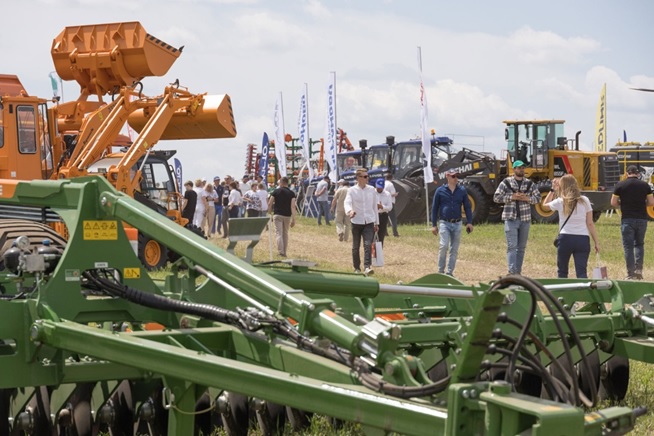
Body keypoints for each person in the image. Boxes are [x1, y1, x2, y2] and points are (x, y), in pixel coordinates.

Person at [543, 175, 600, 278]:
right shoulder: (584, 200)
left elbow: (545, 204)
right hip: (582, 238)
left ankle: (563, 292)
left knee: (562, 271)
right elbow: (590, 223)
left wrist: (552, 190)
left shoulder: (561, 201)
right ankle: (582, 293)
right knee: (582, 272)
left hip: (565, 237)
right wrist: (596, 242)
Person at [493, 160, 541, 275]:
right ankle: (511, 271)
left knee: (522, 248)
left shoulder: (530, 183)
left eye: (523, 168)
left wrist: (527, 199)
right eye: (519, 168)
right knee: (512, 246)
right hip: (511, 219)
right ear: (514, 169)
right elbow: (496, 197)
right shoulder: (506, 182)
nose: (521, 170)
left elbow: (538, 198)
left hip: (525, 219)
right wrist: (512, 197)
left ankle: (518, 272)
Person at [610, 165, 654, 279]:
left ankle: (630, 274)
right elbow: (651, 202)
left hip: (627, 219)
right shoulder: (645, 185)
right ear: (638, 173)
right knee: (639, 244)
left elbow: (613, 202)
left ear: (627, 173)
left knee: (628, 247)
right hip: (641, 219)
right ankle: (639, 272)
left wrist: (623, 204)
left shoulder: (620, 185)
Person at [431, 169, 473, 276]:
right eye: (453, 176)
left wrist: (469, 222)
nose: (456, 178)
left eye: (456, 176)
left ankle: (449, 273)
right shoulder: (440, 190)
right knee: (443, 246)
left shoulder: (462, 190)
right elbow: (435, 208)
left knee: (454, 249)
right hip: (444, 222)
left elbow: (467, 207)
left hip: (457, 223)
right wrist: (434, 225)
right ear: (447, 177)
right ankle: (440, 272)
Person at [344, 168, 378, 275]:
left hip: (369, 221)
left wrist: (377, 222)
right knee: (356, 246)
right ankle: (356, 268)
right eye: (364, 176)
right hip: (356, 221)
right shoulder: (352, 190)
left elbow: (374, 206)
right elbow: (347, 202)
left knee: (367, 244)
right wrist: (350, 211)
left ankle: (367, 267)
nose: (367, 178)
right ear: (358, 178)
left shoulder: (372, 189)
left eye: (367, 176)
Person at [268, 176, 297, 257]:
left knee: (278, 233)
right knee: (285, 234)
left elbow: (270, 203)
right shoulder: (292, 193)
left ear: (281, 182)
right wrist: (294, 219)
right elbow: (293, 206)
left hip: (278, 214)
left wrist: (269, 213)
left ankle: (281, 252)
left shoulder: (276, 191)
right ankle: (284, 251)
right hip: (287, 216)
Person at [375, 178, 393, 246]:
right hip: (373, 215)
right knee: (371, 235)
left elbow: (390, 207)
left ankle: (379, 252)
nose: (379, 189)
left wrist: (382, 207)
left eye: (381, 188)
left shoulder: (387, 194)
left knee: (381, 235)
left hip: (383, 216)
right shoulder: (372, 193)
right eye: (378, 187)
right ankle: (371, 252)